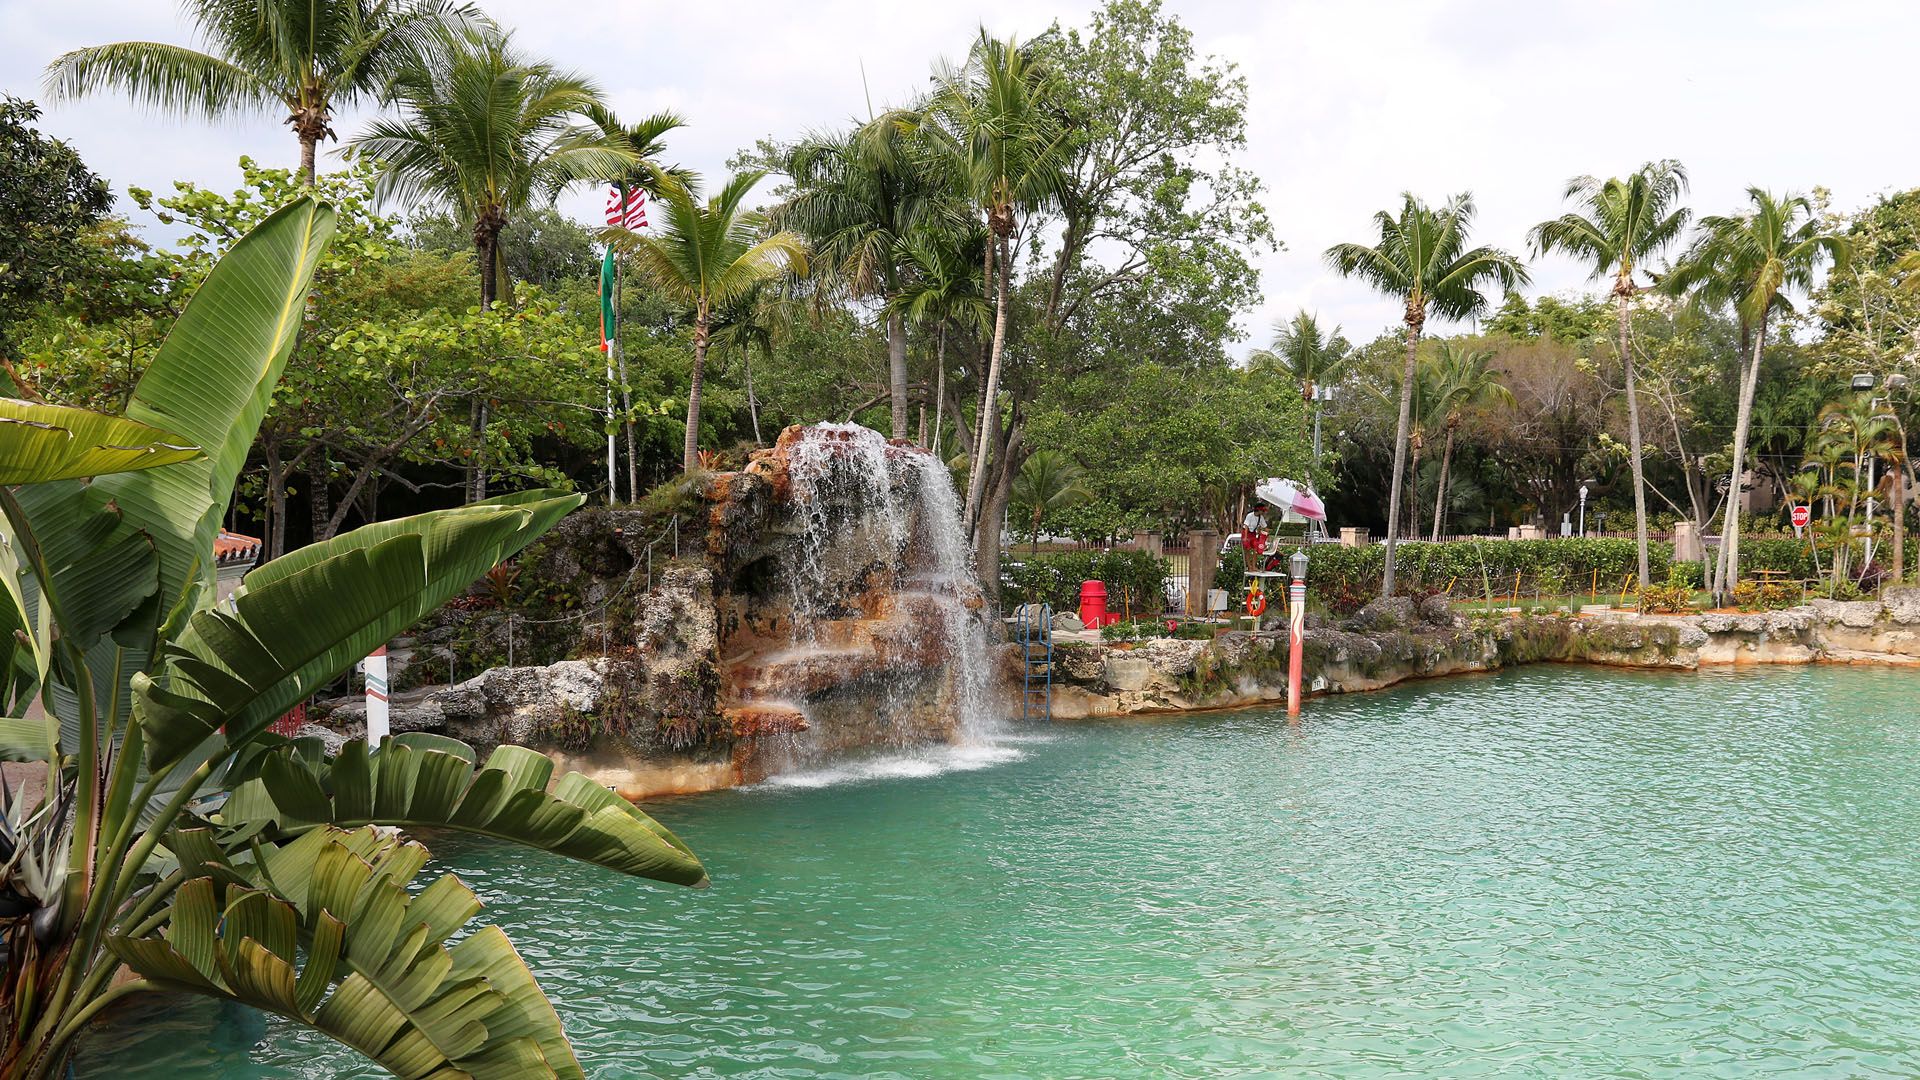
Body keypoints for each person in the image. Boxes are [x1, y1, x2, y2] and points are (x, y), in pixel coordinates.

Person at [1242, 502, 1270, 572]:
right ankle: (1249, 567)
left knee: (1256, 549)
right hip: (1246, 533)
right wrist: (1245, 537)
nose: (1263, 512)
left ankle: (1254, 566)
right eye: (1262, 511)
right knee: (1247, 550)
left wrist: (1268, 533)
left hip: (1253, 534)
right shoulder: (1250, 515)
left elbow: (1265, 527)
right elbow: (1246, 526)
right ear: (1258, 510)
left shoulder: (1261, 517)